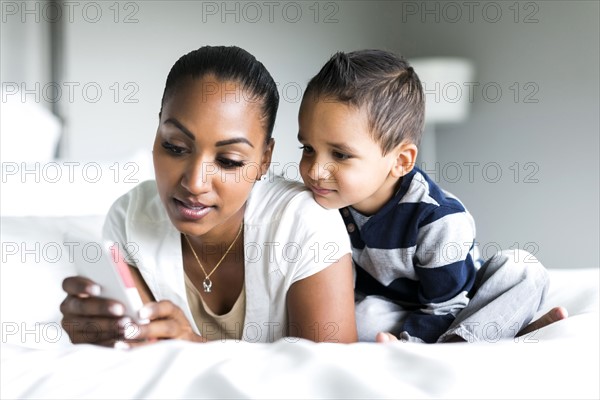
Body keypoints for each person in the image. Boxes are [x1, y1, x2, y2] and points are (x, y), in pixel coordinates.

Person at [60, 45, 357, 347]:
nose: (195, 183)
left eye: (228, 160)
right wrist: (105, 339)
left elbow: (329, 377)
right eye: (175, 147)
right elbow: (144, 355)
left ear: (264, 160)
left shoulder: (304, 224)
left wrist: (191, 347)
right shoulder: (130, 219)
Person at [296, 49, 567, 343]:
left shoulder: (438, 219)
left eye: (340, 154)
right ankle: (501, 336)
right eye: (308, 148)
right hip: (399, 309)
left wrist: (409, 343)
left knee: (522, 269)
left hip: (456, 303)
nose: (316, 170)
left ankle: (463, 342)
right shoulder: (326, 204)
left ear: (400, 161)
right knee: (363, 315)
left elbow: (448, 305)